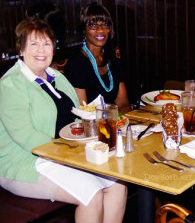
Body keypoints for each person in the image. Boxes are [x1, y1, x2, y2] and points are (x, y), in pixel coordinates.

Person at [0, 18, 127, 223]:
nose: (41, 50)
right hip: (25, 162)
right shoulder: (11, 84)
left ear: (53, 48)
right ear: (21, 49)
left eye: (46, 43)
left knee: (118, 184)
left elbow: (76, 115)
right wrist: (70, 152)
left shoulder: (56, 76)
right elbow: (25, 136)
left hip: (63, 155)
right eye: (33, 44)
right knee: (91, 194)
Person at [64, 3, 131, 114]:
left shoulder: (112, 59)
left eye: (105, 24)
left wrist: (119, 124)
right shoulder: (76, 65)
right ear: (84, 30)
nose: (100, 30)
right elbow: (84, 112)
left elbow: (123, 103)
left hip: (115, 124)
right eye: (93, 25)